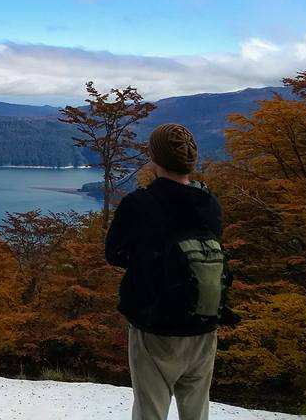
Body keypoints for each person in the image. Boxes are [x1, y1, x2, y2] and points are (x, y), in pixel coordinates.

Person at [105, 123, 237, 420]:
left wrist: (147, 263)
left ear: (155, 158)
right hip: (204, 323)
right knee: (196, 411)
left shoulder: (139, 204)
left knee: (150, 412)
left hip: (155, 329)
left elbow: (113, 254)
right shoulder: (210, 204)